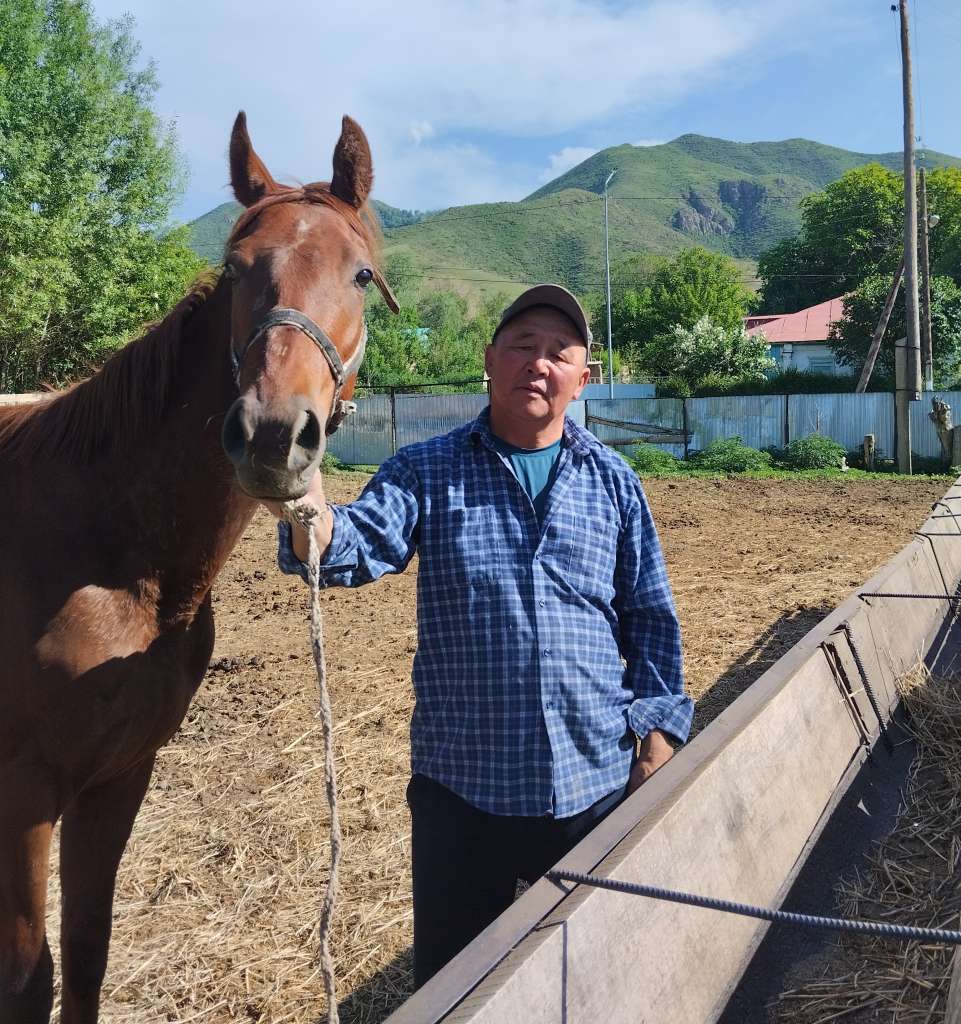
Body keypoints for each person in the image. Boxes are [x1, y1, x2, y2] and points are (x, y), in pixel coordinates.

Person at [273, 284, 693, 987]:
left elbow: (650, 617)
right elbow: (354, 544)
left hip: (593, 781)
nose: (538, 363)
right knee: (455, 985)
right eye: (522, 346)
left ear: (583, 378)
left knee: (595, 977)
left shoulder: (614, 481)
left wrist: (657, 735)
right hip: (463, 791)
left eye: (559, 353)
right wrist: (306, 502)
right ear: (490, 360)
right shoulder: (425, 469)